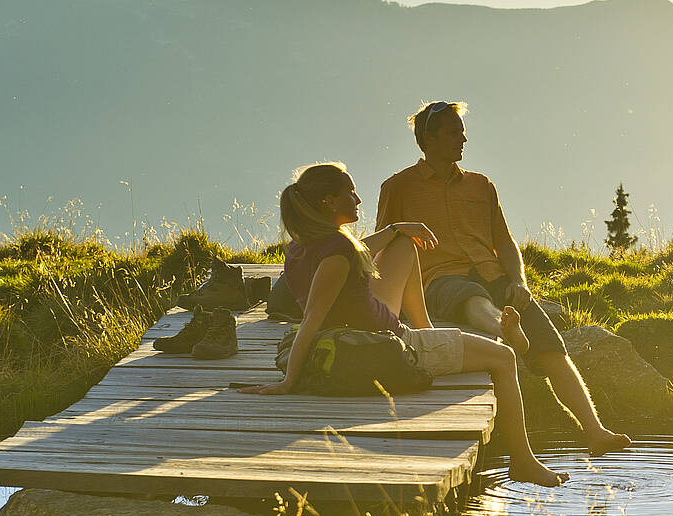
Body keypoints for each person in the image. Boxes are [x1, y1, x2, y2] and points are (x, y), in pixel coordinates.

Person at [241, 161, 567, 488]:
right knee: (504, 358)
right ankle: (523, 462)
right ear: (329, 201)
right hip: (390, 347)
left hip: (355, 331)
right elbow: (312, 317)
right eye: (350, 193)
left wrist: (397, 228)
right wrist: (288, 382)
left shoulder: (300, 248)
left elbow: (349, 259)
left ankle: (429, 330)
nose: (358, 200)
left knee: (404, 245)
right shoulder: (339, 250)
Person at [378, 100, 632, 456]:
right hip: (437, 279)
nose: (463, 139)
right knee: (470, 297)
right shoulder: (399, 186)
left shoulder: (482, 186)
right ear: (429, 139)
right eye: (454, 132)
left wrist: (519, 281)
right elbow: (385, 247)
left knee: (551, 346)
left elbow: (505, 241)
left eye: (463, 132)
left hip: (493, 275)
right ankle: (504, 330)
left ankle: (595, 431)